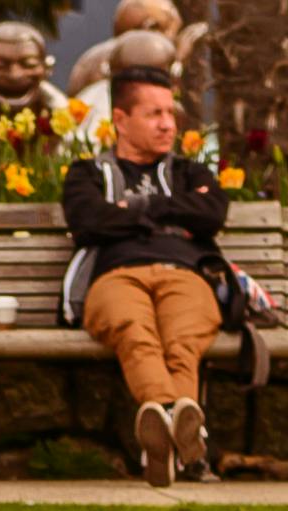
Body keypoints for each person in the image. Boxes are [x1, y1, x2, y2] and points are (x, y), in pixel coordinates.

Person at [59, 65, 226, 487]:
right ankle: (181, 426)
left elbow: (212, 212)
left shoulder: (191, 172)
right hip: (116, 276)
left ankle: (162, 432)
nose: (168, 124)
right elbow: (87, 221)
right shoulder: (87, 174)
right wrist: (169, 211)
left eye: (170, 113)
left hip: (184, 273)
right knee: (134, 332)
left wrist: (132, 211)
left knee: (183, 339)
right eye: (154, 114)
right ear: (120, 120)